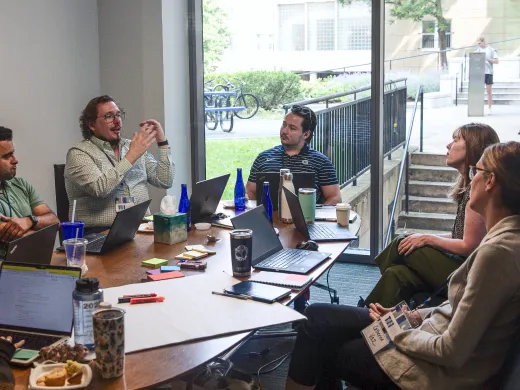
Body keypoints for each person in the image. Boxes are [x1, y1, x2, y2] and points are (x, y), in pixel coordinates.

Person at [285, 141, 520, 390]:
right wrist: (412, 316)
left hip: (432, 371)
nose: (471, 179)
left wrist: (394, 331)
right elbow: (457, 310)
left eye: (477, 172)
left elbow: (450, 351)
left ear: (491, 181)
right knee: (317, 315)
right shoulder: (502, 241)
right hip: (425, 331)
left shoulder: (497, 254)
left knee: (323, 341)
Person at [363, 123, 499, 308]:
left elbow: (470, 246)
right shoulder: (470, 185)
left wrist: (428, 239)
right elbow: (463, 236)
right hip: (463, 263)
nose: (449, 145)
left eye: (456, 139)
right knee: (396, 274)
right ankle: (366, 321)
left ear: (473, 146)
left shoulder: (479, 188)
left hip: (470, 271)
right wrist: (426, 238)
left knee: (401, 243)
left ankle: (361, 318)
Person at [64, 95, 174, 232]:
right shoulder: (79, 153)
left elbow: (164, 181)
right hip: (99, 233)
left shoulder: (131, 146)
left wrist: (163, 143)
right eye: (109, 116)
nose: (117, 121)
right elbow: (99, 188)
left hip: (141, 228)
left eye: (118, 115)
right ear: (91, 124)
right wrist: (131, 157)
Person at [246, 105, 341, 204]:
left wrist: (314, 215)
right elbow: (250, 191)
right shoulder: (264, 157)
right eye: (284, 125)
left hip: (306, 217)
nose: (284, 131)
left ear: (306, 134)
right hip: (267, 217)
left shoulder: (320, 161)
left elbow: (335, 198)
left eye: (292, 128)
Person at [0, 127, 60, 243]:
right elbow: (10, 236)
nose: (15, 160)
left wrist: (29, 221)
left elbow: (55, 222)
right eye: (7, 156)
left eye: (13, 154)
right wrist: (42, 230)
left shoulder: (21, 184)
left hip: (34, 258)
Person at [476, 36, 499, 114]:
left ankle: (489, 108)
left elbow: (497, 61)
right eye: (477, 44)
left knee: (489, 91)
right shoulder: (478, 50)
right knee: (478, 91)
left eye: (479, 43)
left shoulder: (491, 50)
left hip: (488, 72)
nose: (478, 45)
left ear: (483, 42)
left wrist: (487, 59)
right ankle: (478, 107)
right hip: (480, 72)